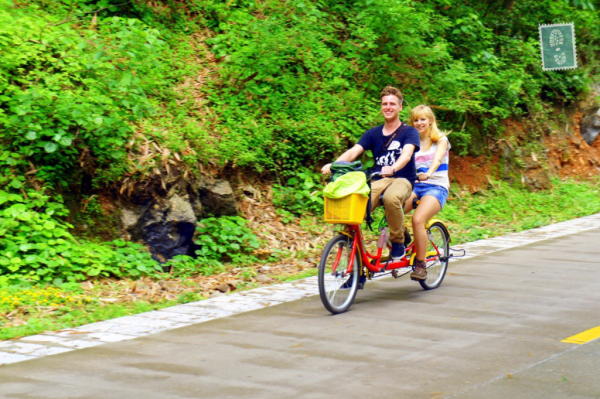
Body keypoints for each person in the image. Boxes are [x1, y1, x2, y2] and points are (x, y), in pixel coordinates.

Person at [322, 86, 420, 260]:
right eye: (384, 104)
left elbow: (406, 155)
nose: (388, 107)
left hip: (402, 178)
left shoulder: (409, 132)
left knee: (391, 198)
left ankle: (398, 242)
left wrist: (394, 167)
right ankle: (354, 264)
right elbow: (354, 152)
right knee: (355, 205)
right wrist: (335, 164)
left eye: (392, 104)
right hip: (378, 179)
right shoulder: (373, 133)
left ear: (400, 107)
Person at [404, 105, 451, 281]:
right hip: (415, 186)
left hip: (436, 186)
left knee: (417, 219)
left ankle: (421, 265)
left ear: (430, 120)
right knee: (392, 208)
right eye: (416, 120)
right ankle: (403, 236)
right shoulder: (411, 144)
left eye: (423, 119)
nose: (419, 123)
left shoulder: (441, 140)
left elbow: (438, 158)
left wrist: (429, 172)